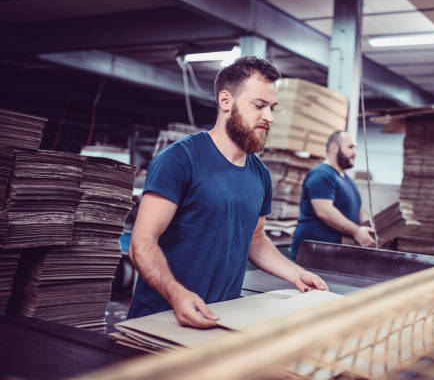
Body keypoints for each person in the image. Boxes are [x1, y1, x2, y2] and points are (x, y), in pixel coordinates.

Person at [128, 56, 328, 328]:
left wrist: (295, 273)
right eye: (259, 106)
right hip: (162, 319)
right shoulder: (180, 159)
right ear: (226, 101)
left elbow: (255, 240)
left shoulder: (260, 175)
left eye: (272, 108)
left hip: (221, 318)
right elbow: (142, 242)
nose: (268, 117)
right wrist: (176, 294)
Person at [291, 131, 376, 259]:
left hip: (334, 252)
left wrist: (371, 228)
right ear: (334, 148)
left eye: (356, 148)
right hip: (314, 252)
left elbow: (358, 210)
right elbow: (324, 211)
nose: (355, 153)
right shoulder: (321, 174)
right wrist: (357, 231)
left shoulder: (347, 180)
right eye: (350, 147)